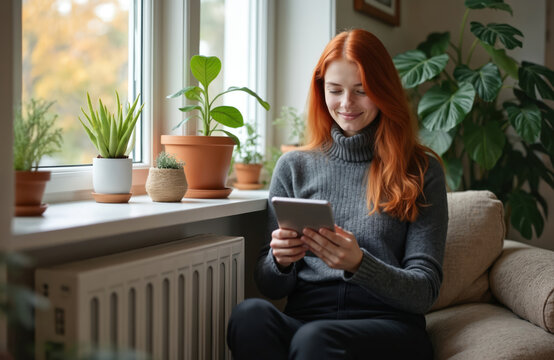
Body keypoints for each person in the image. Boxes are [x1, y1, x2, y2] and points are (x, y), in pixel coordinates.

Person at [227, 29, 448, 360]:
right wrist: (280, 261)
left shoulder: (421, 169)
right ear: (321, 90)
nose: (346, 104)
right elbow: (270, 287)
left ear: (384, 92)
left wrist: (359, 263)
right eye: (335, 90)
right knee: (249, 317)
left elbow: (424, 292)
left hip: (389, 326)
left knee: (316, 340)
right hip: (309, 318)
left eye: (362, 91)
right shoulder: (293, 167)